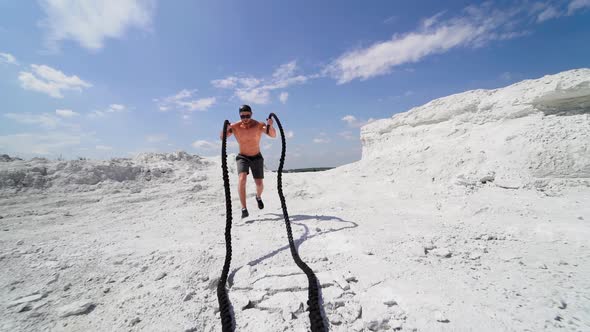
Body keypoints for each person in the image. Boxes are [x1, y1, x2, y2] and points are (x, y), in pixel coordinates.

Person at [220, 105, 276, 218]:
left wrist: (271, 125)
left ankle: (258, 197)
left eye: (247, 115)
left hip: (256, 156)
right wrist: (225, 130)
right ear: (239, 115)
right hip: (243, 157)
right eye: (242, 116)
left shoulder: (259, 125)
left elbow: (273, 135)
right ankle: (244, 208)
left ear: (251, 114)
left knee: (259, 184)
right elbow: (223, 138)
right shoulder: (235, 126)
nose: (245, 118)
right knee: (242, 179)